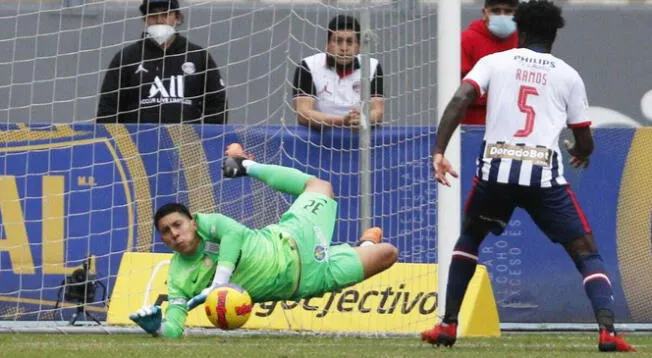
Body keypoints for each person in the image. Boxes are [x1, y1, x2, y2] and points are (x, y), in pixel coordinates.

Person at [421, 1, 635, 352]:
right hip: (542, 175)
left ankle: (447, 326)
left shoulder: (493, 62)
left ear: (520, 29)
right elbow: (584, 138)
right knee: (586, 251)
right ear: (554, 34)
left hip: (497, 170)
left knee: (470, 239)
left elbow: (461, 97)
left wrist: (439, 151)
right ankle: (608, 331)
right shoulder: (567, 74)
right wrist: (582, 152)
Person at [129, 143, 399, 338]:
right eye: (166, 231)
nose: (174, 233)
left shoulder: (210, 225)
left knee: (320, 186)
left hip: (294, 238)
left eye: (178, 224)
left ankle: (246, 165)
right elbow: (175, 328)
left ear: (193, 222)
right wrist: (158, 328)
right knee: (387, 253)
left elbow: (233, 235)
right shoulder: (177, 276)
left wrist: (218, 284)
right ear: (163, 241)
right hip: (310, 280)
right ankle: (365, 245)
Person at [96, 0, 228, 124]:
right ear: (145, 19)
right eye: (153, 15)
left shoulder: (198, 56)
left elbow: (217, 104)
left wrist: (208, 140)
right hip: (136, 144)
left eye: (165, 14)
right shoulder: (126, 57)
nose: (159, 20)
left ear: (177, 18)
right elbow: (108, 108)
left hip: (187, 144)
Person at [292, 15, 384, 129]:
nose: (344, 48)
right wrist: (342, 121)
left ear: (359, 47)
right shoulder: (308, 66)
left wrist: (362, 119)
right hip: (319, 141)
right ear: (327, 44)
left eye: (350, 42)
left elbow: (378, 112)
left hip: (358, 137)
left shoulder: (372, 66)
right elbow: (303, 114)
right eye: (338, 41)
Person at [461, 0, 519, 125]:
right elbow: (461, 89)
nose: (502, 16)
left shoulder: (521, 40)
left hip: (512, 124)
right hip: (474, 124)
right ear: (485, 13)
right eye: (496, 11)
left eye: (508, 11)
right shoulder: (467, 40)